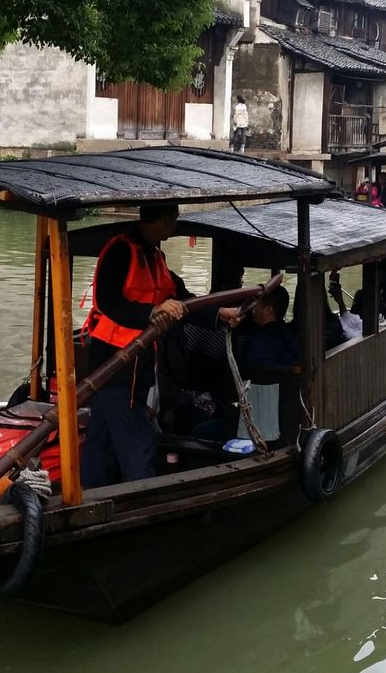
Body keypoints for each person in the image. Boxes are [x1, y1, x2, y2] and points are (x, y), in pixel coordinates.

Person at [80, 201, 237, 486]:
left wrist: (218, 314)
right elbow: (107, 301)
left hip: (137, 362)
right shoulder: (120, 250)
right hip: (115, 361)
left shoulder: (155, 256)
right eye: (173, 221)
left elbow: (181, 300)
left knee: (102, 435)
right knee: (136, 438)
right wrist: (152, 312)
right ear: (164, 222)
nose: (174, 227)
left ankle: (91, 490)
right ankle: (142, 491)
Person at [241, 285, 298, 366]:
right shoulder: (293, 336)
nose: (252, 310)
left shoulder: (256, 343)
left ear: (268, 310)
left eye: (256, 305)